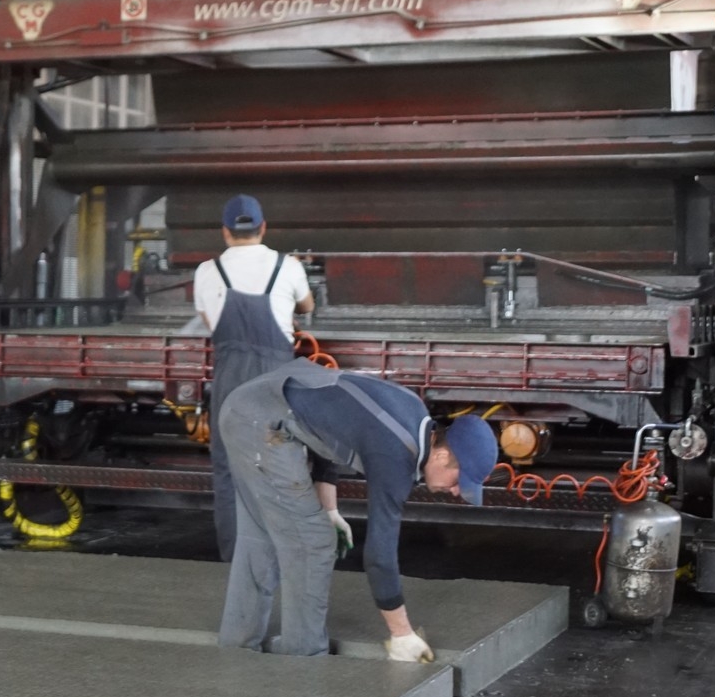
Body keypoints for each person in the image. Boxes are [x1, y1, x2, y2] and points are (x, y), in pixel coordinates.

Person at [215, 356, 499, 663]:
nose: (456, 491)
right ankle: (302, 657)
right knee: (313, 542)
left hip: (252, 404)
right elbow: (379, 555)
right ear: (442, 456)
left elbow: (331, 429)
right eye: (458, 481)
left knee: (260, 537)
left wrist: (330, 509)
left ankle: (237, 647)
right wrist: (401, 634)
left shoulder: (413, 412)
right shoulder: (396, 455)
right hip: (263, 420)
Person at [194, 194, 316, 562]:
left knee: (229, 469)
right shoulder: (288, 266)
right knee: (279, 465)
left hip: (230, 382)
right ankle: (280, 556)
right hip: (274, 384)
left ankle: (237, 560)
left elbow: (210, 322)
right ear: (263, 228)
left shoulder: (207, 271)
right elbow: (308, 306)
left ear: (225, 232)